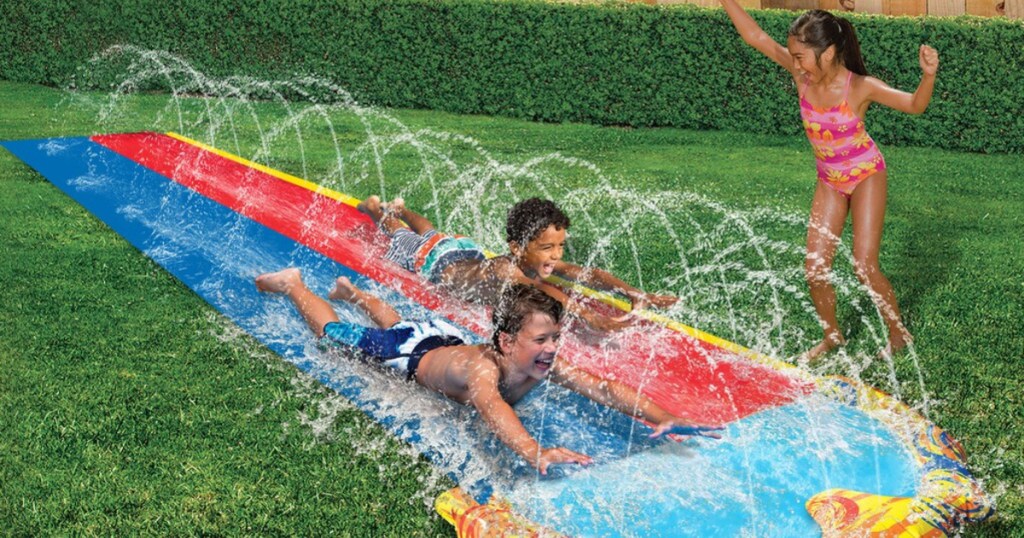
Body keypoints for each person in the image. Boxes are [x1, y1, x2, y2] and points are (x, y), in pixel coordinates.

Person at [255, 268, 723, 474]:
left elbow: (601, 386)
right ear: (505, 342)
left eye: (554, 338)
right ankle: (297, 285)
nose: (551, 349)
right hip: (411, 354)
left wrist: (659, 414)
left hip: (441, 337)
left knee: (406, 323)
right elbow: (493, 408)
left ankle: (357, 295)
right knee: (337, 339)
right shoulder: (483, 372)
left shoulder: (533, 358)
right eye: (541, 340)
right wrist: (533, 450)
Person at [718, 2, 938, 361]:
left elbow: (914, 105)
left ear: (829, 52)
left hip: (866, 175)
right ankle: (832, 335)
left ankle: (898, 335)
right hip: (830, 181)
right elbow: (755, 36)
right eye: (793, 56)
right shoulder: (801, 75)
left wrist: (927, 76)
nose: (797, 63)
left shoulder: (860, 87)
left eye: (802, 56)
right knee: (815, 267)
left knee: (864, 265)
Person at [358, 195, 678, 332]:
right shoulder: (506, 269)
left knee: (434, 231)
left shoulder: (530, 260)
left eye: (560, 246)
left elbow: (587, 274)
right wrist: (591, 316)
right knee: (409, 235)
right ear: (517, 247)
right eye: (547, 248)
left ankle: (401, 208)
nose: (555, 255)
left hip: (464, 251)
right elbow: (542, 291)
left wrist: (633, 292)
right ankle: (380, 210)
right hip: (432, 261)